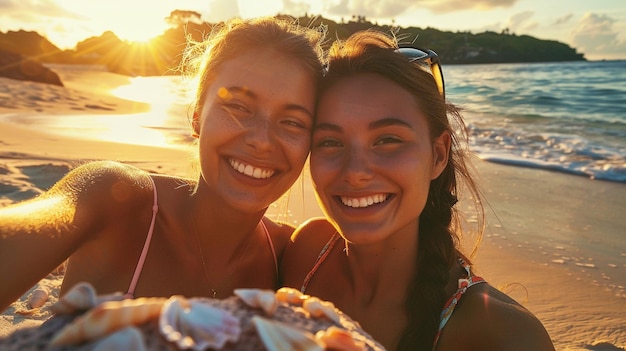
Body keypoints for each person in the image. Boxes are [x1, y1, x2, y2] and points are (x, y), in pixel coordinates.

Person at [0, 16, 325, 312]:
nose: (262, 140)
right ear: (197, 116)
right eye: (239, 106)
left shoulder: (289, 258)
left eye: (293, 122)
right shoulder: (118, 201)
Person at [281, 30, 555, 350]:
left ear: (438, 154)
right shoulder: (307, 254)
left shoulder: (501, 335)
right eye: (330, 142)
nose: (355, 172)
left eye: (388, 140)